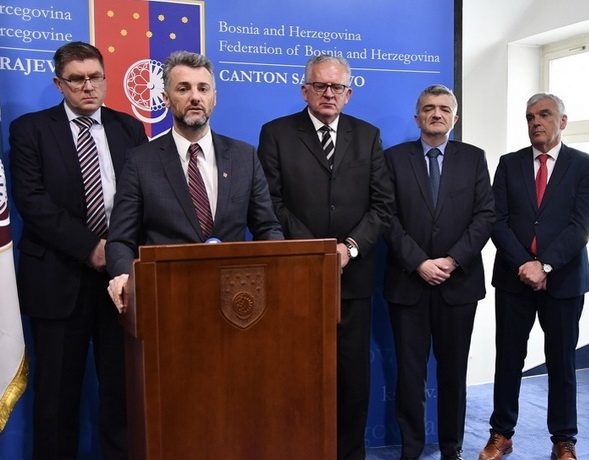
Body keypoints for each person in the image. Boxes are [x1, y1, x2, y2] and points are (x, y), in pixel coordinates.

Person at [9, 41, 148, 459]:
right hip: (57, 277)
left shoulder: (129, 128)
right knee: (56, 397)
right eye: (76, 80)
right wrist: (91, 248)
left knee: (122, 394)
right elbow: (32, 201)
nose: (88, 87)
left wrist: (117, 252)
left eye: (95, 77)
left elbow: (142, 197)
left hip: (119, 279)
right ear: (59, 84)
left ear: (105, 78)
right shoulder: (30, 130)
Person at [257, 54, 393, 460]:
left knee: (353, 379)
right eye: (320, 86)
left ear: (348, 94)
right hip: (297, 276)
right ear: (305, 90)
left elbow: (383, 206)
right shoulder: (276, 134)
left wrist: (348, 248)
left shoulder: (368, 136)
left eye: (337, 87)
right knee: (298, 376)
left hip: (353, 278)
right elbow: (269, 203)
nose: (329, 93)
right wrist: (316, 249)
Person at [106, 51, 283, 310]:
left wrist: (276, 270)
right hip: (167, 299)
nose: (195, 97)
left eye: (203, 88)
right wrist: (124, 276)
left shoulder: (244, 156)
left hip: (237, 299)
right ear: (166, 98)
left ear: (214, 98)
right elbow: (121, 240)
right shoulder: (140, 161)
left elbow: (267, 227)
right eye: (183, 89)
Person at [480, 93, 589, 460]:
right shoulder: (509, 164)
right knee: (508, 358)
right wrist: (525, 264)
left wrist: (545, 265)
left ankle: (564, 439)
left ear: (562, 121)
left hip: (563, 281)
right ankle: (501, 433)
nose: (536, 122)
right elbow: (496, 220)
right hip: (514, 279)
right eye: (530, 116)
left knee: (562, 361)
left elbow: (581, 225)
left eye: (545, 115)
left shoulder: (585, 165)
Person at [383, 84, 495, 460]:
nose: (436, 114)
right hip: (408, 282)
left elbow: (485, 216)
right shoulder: (394, 159)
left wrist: (452, 259)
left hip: (458, 283)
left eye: (444, 109)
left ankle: (451, 448)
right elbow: (387, 217)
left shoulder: (474, 158)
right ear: (417, 117)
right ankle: (411, 448)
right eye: (429, 108)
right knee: (410, 373)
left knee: (453, 373)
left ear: (455, 118)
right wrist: (419, 262)